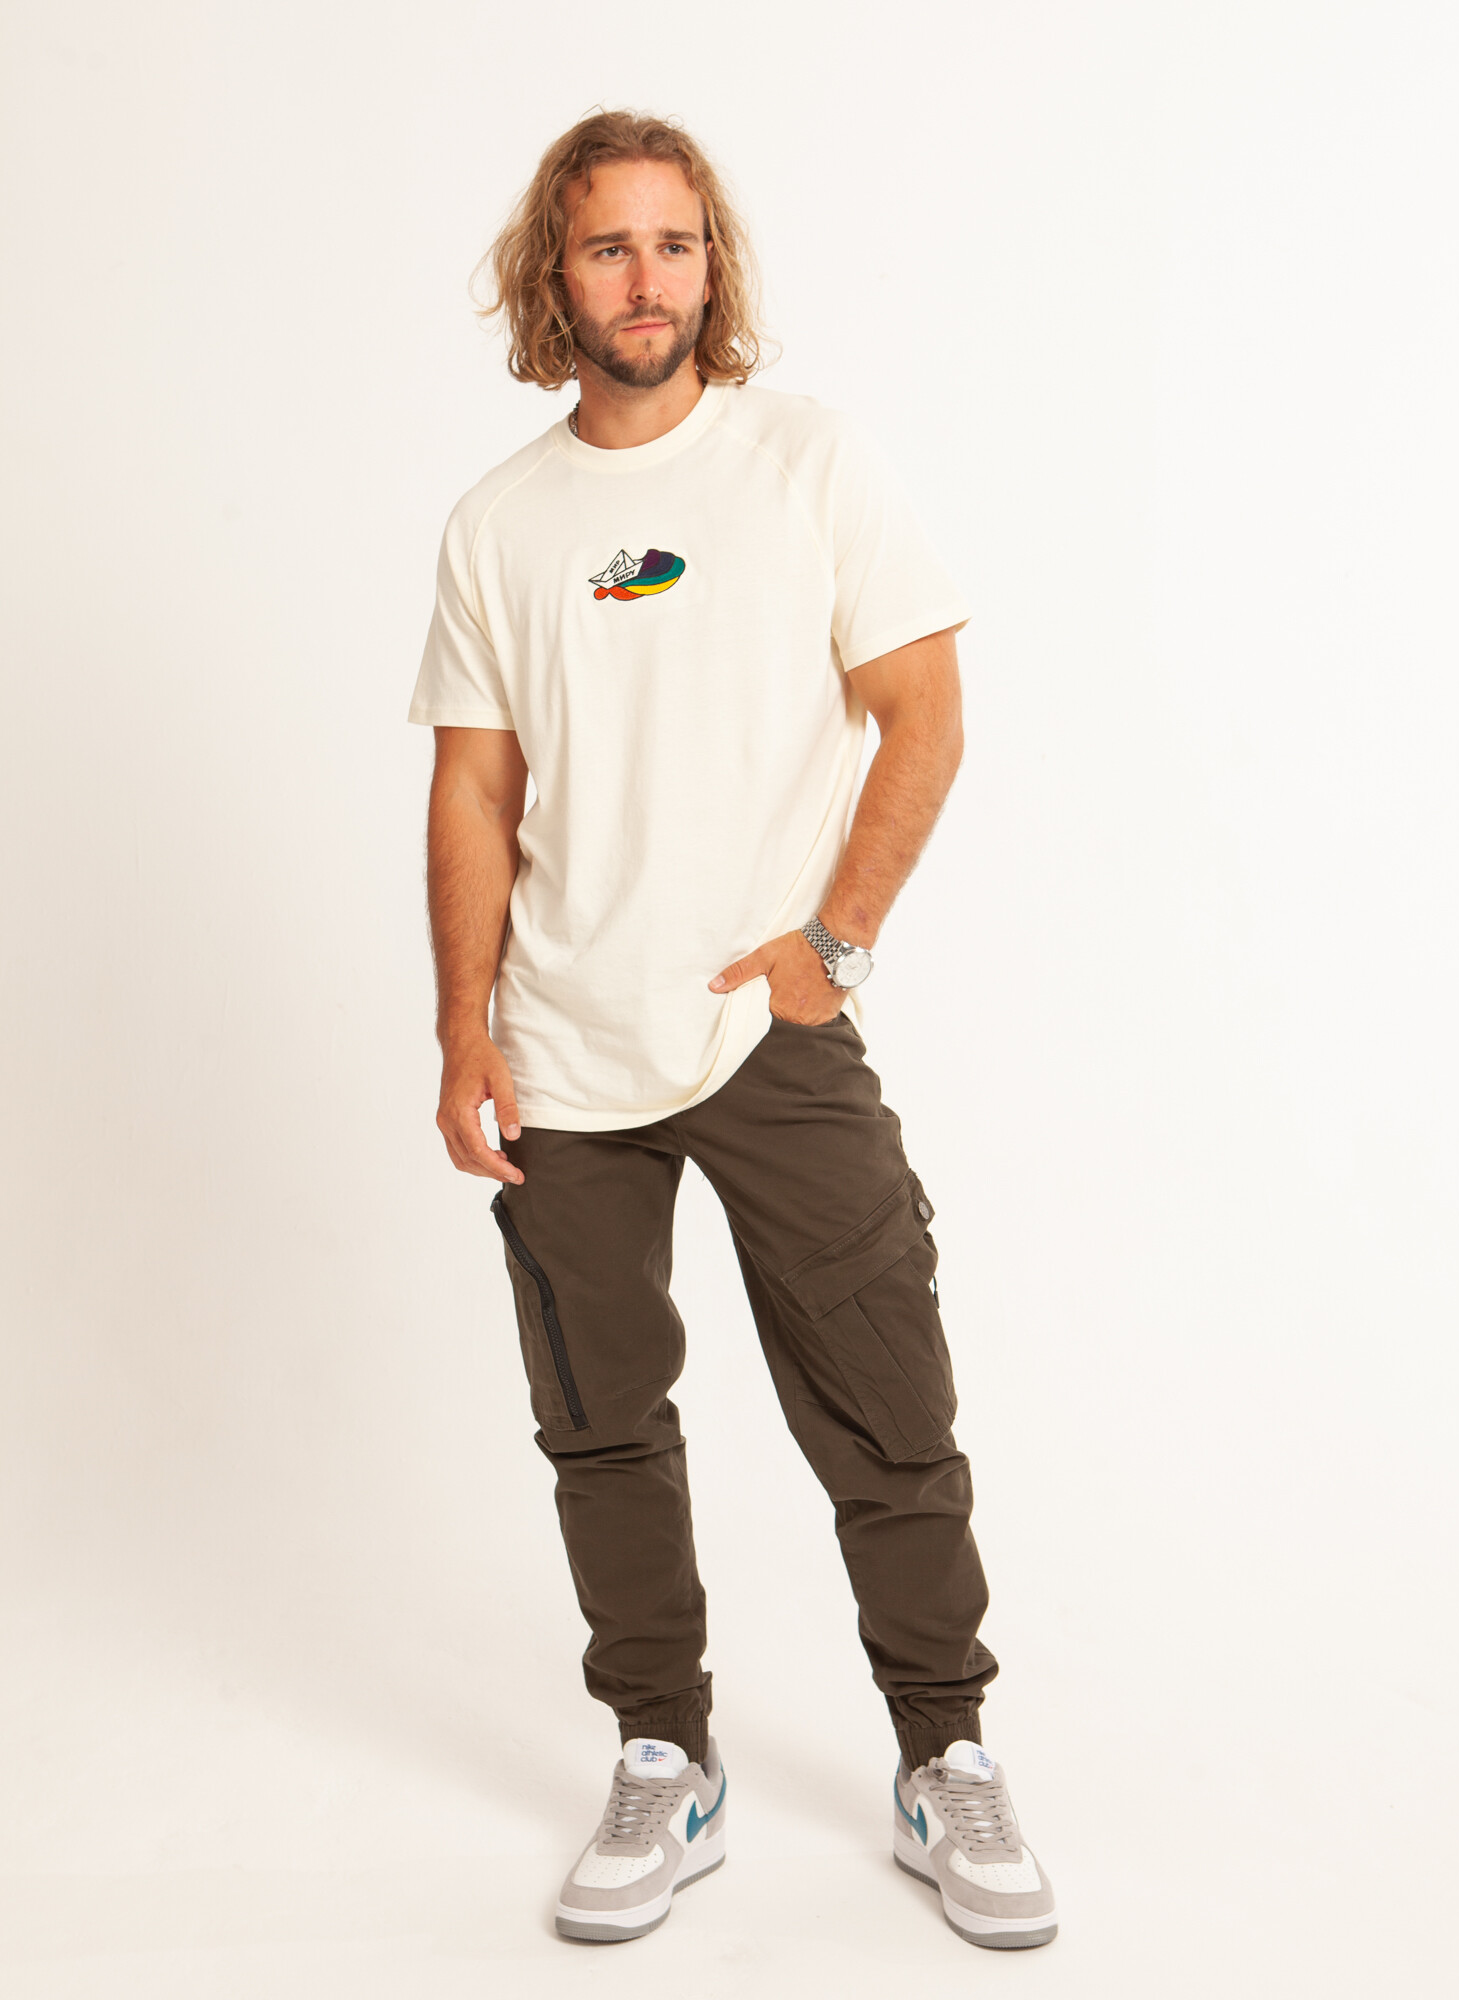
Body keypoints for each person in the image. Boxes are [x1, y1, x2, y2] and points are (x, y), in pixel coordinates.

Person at [409, 109, 1057, 1951]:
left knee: (889, 1403)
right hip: (562, 1047)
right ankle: (661, 1757)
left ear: (714, 266)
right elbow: (475, 792)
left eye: (676, 244)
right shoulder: (500, 524)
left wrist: (833, 945)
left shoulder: (804, 463)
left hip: (769, 1037)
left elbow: (924, 708)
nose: (648, 280)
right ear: (555, 277)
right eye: (608, 247)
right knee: (602, 1427)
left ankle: (946, 1755)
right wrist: (462, 1029)